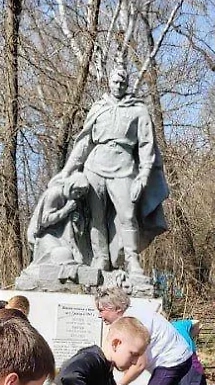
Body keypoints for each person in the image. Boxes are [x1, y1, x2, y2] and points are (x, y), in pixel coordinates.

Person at [59, 65, 169, 283]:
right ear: (108, 82)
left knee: (128, 216)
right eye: (115, 81)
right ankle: (100, 259)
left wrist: (144, 176)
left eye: (122, 82)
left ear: (127, 84)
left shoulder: (138, 110)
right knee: (96, 218)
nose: (118, 85)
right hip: (95, 166)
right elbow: (84, 143)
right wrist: (68, 170)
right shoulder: (98, 107)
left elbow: (147, 145)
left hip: (124, 166)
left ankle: (132, 260)